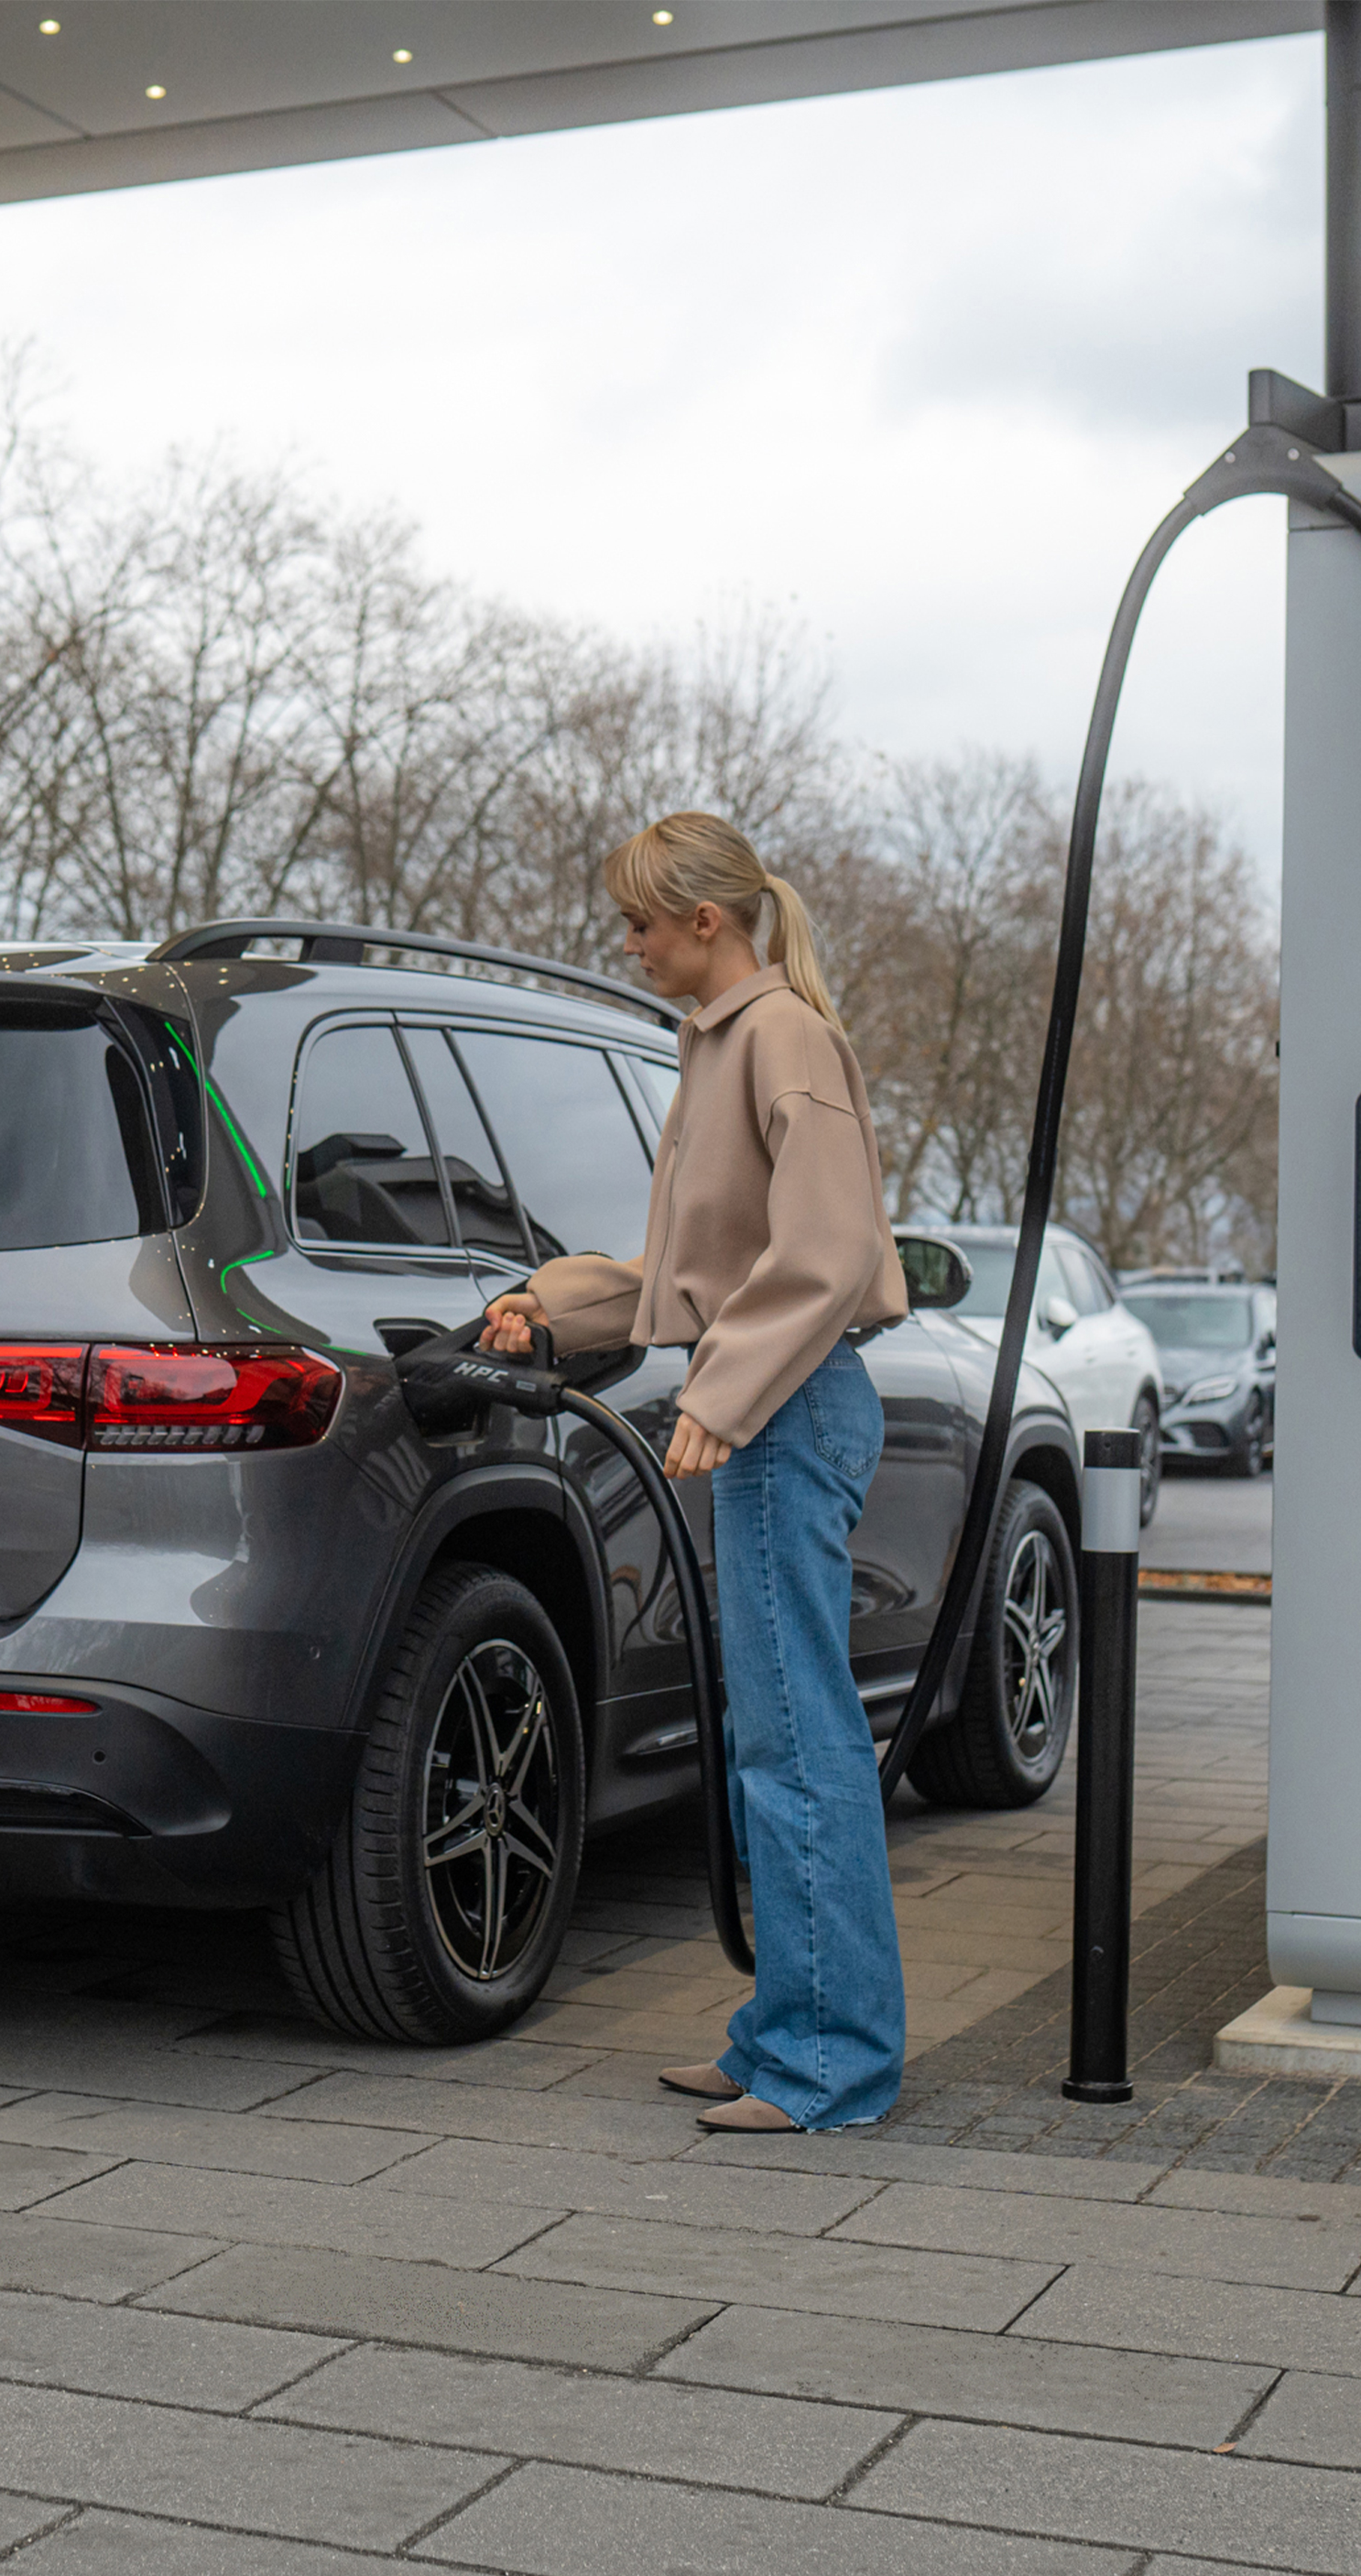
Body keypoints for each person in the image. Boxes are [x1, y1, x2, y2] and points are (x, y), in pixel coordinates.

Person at [485, 811, 910, 2132]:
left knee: (799, 1745)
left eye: (641, 924)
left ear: (707, 924)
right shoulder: (720, 1047)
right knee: (767, 1740)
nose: (629, 944)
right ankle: (788, 2025)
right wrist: (556, 1314)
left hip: (790, 1413)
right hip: (775, 1411)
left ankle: (831, 2061)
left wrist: (722, 1399)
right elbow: (698, 1273)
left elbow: (825, 1252)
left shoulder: (779, 1038)